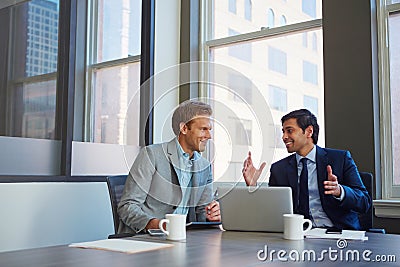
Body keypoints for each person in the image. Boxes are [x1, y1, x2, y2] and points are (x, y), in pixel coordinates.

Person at [242, 109, 371, 230]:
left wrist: (340, 191)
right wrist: (253, 187)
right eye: (283, 132)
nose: (284, 137)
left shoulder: (340, 159)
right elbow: (271, 211)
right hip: (297, 234)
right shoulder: (278, 169)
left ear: (309, 131)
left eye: (289, 130)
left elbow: (364, 202)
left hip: (338, 234)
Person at [118, 100, 220, 234]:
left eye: (209, 130)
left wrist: (212, 214)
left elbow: (201, 212)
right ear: (184, 128)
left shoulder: (204, 166)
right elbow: (127, 206)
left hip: (184, 238)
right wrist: (158, 225)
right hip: (147, 238)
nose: (209, 135)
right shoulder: (152, 155)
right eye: (203, 129)